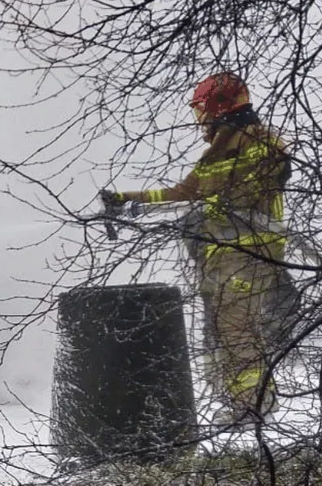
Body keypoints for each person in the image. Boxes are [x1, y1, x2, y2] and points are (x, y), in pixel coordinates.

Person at [101, 72, 292, 425]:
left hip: (251, 254)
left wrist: (213, 206)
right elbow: (184, 194)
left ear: (219, 107)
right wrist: (127, 200)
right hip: (223, 255)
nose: (200, 119)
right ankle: (246, 401)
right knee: (225, 328)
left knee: (238, 328)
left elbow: (260, 183)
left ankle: (253, 406)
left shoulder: (259, 142)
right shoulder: (217, 153)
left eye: (202, 110)